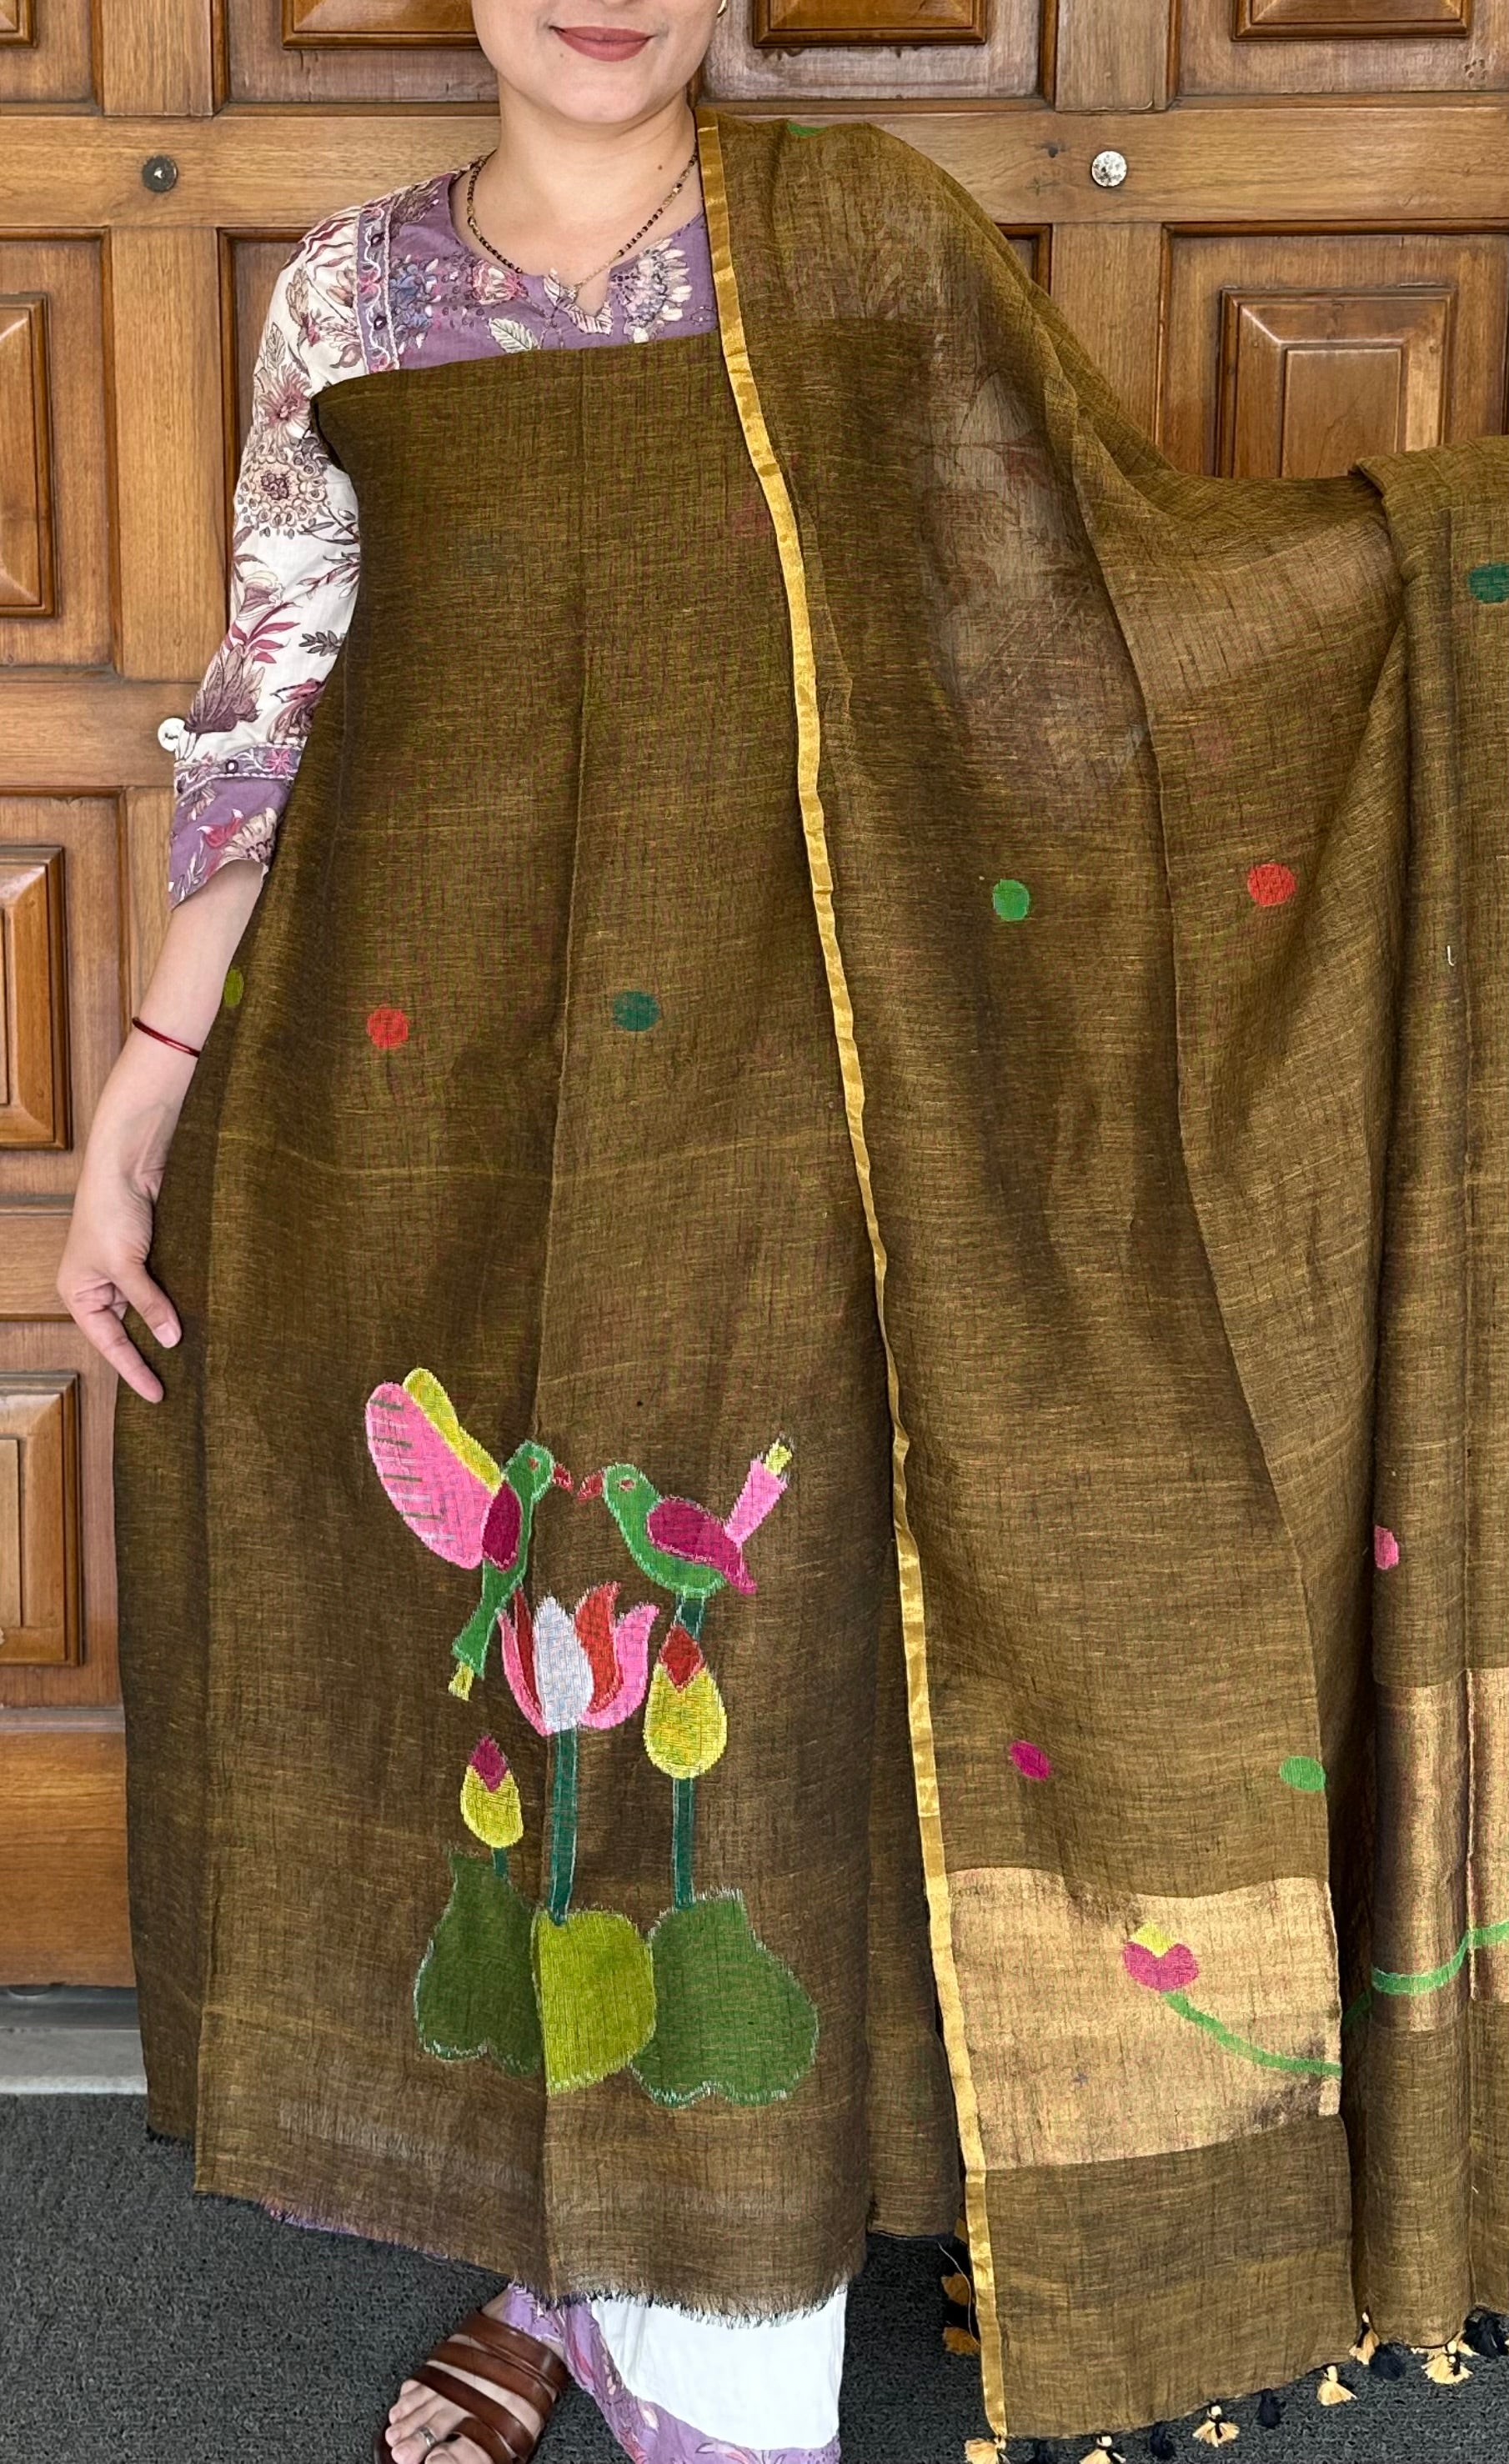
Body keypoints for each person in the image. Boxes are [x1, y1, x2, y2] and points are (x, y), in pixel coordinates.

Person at [60, 3, 1509, 2459]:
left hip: (799, 1093)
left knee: (744, 1667)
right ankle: (561, 2255)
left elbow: (1083, 640)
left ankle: (723, 2313)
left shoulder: (859, 245)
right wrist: (141, 1089)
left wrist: (1442, 577)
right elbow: (272, 712)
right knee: (500, 1663)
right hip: (426, 1093)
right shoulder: (350, 296)